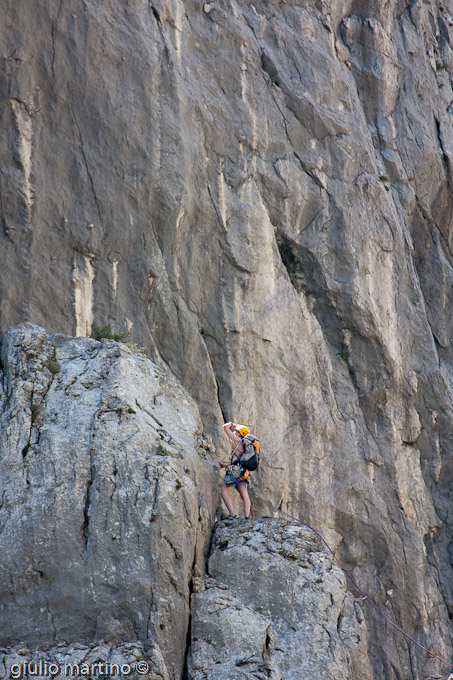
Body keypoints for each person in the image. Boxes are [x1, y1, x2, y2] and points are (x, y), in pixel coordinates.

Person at [220, 421, 251, 519]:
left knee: (224, 492)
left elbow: (225, 427)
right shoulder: (245, 444)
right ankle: (246, 516)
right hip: (242, 472)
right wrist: (225, 465)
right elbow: (236, 461)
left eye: (237, 431)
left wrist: (232, 424)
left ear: (240, 434)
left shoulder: (238, 440)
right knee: (244, 493)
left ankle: (232, 514)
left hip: (234, 473)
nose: (234, 432)